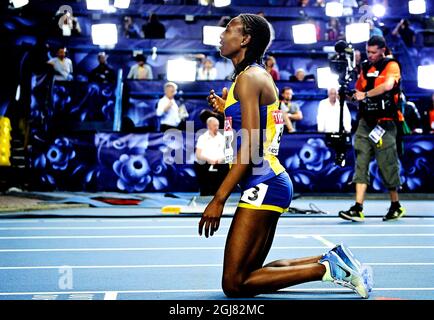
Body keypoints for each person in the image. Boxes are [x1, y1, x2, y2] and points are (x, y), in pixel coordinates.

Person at [201, 14, 371, 299]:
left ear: (245, 40)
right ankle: (331, 258)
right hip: (268, 182)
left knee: (234, 284)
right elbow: (257, 123)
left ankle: (325, 269)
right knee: (250, 275)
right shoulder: (247, 78)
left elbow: (252, 146)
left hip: (263, 182)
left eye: (229, 29)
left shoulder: (250, 79)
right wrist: (226, 109)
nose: (222, 34)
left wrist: (219, 199)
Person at [339, 36, 405, 222]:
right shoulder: (366, 67)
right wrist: (348, 94)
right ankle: (357, 208)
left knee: (387, 164)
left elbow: (388, 85)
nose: (370, 55)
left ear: (383, 50)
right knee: (361, 162)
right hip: (365, 123)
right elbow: (358, 93)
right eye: (368, 52)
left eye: (374, 52)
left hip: (385, 123)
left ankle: (395, 205)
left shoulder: (392, 66)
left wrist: (365, 94)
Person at [195, 117, 229, 196]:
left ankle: (219, 191)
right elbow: (198, 154)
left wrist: (220, 159)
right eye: (214, 126)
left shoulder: (222, 138)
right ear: (209, 126)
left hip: (219, 163)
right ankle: (205, 191)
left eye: (217, 125)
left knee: (226, 165)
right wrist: (209, 160)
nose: (217, 128)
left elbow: (227, 153)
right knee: (200, 164)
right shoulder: (202, 138)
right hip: (205, 163)